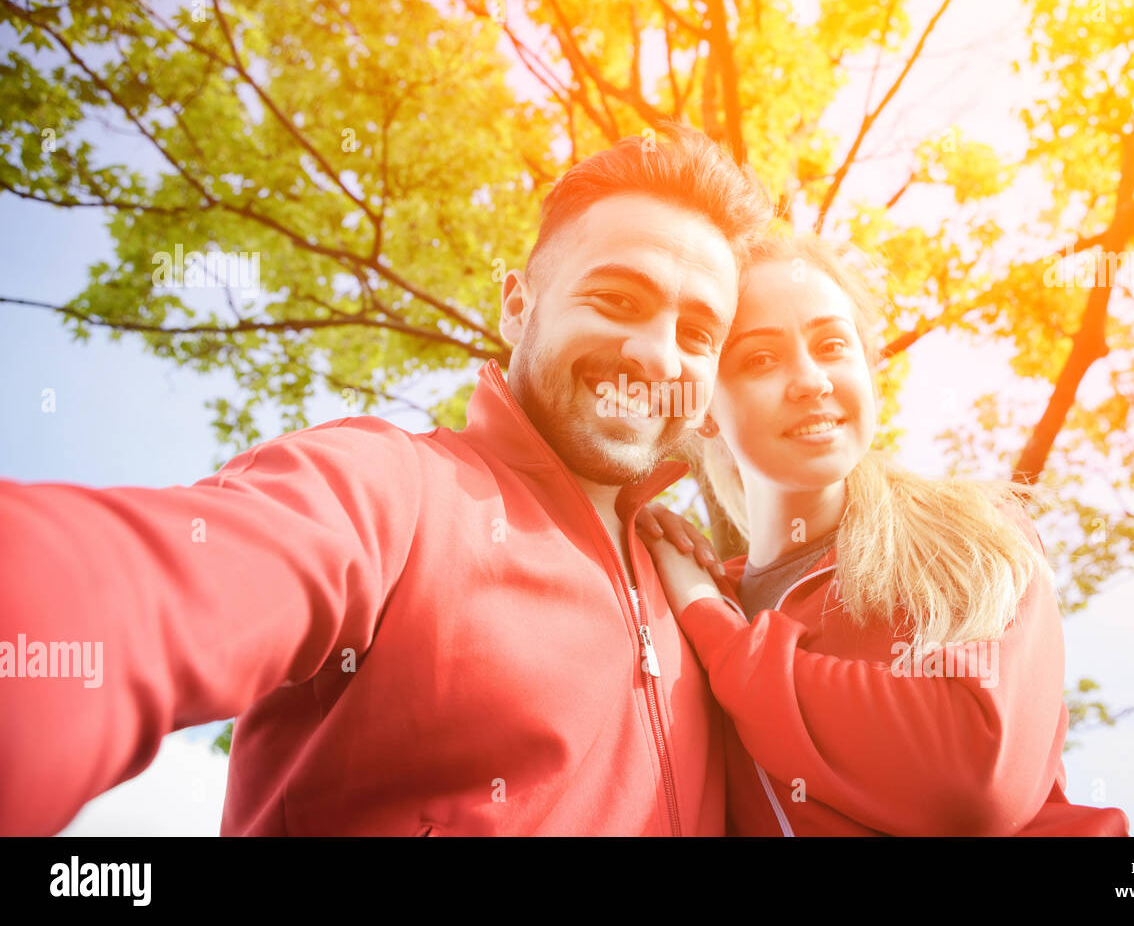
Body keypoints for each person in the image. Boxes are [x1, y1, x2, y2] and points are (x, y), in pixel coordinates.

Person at [0, 123, 772, 836]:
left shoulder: (701, 597)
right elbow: (138, 593)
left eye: (698, 332)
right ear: (517, 304)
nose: (658, 356)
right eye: (615, 299)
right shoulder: (390, 491)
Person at [636, 233, 1131, 836]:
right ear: (706, 405)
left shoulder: (970, 532)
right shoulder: (685, 603)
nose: (811, 380)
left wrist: (717, 630)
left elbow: (970, 782)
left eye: (833, 346)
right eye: (760, 358)